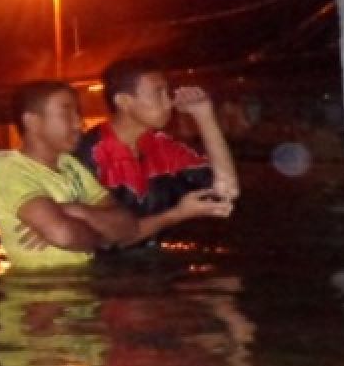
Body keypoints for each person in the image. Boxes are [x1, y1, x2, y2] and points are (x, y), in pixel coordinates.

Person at [74, 57, 239, 244]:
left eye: (167, 93)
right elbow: (100, 238)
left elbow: (226, 191)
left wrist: (205, 116)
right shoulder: (87, 153)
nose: (168, 103)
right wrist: (176, 215)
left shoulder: (161, 145)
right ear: (124, 101)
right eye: (157, 94)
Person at [0, 80, 137, 270]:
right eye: (66, 113)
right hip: (39, 293)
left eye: (77, 113)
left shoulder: (69, 164)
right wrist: (105, 237)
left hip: (82, 287)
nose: (78, 123)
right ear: (32, 122)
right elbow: (63, 234)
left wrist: (74, 211)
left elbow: (129, 226)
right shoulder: (7, 167)